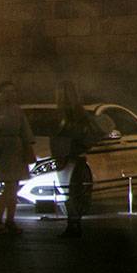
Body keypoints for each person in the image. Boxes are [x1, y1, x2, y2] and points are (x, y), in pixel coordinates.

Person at [50, 80, 101, 237]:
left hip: (69, 156)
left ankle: (73, 224)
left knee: (70, 191)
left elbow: (65, 135)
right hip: (76, 156)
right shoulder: (79, 112)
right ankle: (74, 223)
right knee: (73, 191)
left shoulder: (68, 114)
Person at [0, 81, 35, 234]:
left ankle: (10, 220)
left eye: (13, 92)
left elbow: (25, 131)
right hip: (3, 149)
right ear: (0, 94)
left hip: (16, 149)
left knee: (14, 186)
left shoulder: (18, 110)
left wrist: (27, 147)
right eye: (6, 92)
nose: (10, 95)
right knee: (10, 185)